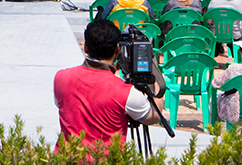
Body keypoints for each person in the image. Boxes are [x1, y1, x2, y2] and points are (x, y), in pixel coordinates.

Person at [53, 19, 162, 151]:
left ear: (86, 47)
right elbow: (154, 116)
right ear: (118, 49)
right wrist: (153, 68)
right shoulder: (126, 93)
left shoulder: (61, 78)